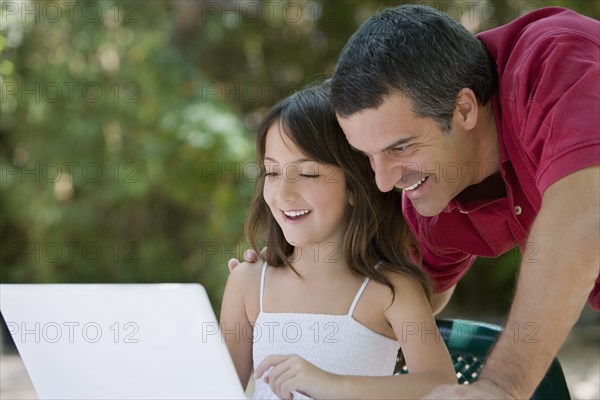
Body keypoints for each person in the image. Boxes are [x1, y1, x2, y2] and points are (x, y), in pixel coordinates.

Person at [328, 4, 600, 399]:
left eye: (400, 147)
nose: (383, 181)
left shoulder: (555, 58)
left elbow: (584, 214)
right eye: (367, 156)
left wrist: (501, 387)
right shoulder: (435, 200)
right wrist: (287, 276)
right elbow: (395, 308)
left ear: (465, 108)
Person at [220, 82, 456, 399]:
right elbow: (216, 390)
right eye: (272, 173)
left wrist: (331, 384)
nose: (283, 194)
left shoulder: (391, 289)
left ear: (354, 188)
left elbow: (443, 387)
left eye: (308, 174)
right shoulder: (247, 283)